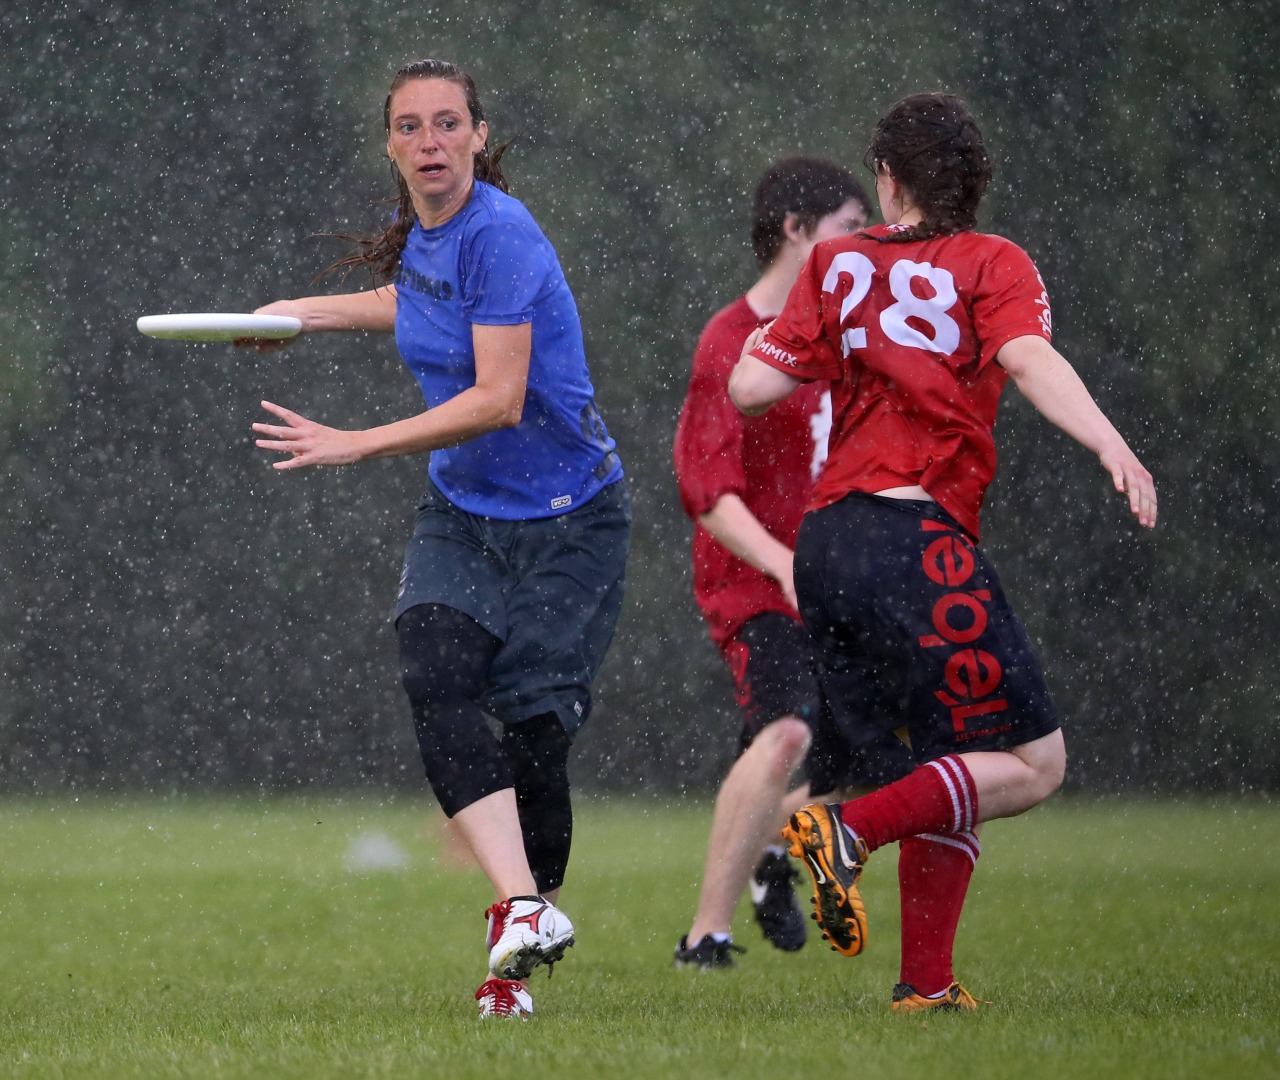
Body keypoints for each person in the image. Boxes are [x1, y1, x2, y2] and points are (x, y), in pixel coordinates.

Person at [729, 92, 1156, 1011]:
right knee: (1035, 765)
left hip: (829, 544)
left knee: (949, 763)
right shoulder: (993, 260)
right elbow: (1030, 360)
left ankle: (925, 986)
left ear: (888, 178)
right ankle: (846, 832)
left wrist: (803, 330)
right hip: (913, 540)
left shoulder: (836, 261)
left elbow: (752, 386)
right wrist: (1109, 441)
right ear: (971, 182)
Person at [242, 58, 631, 1020]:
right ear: (390, 144)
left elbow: (499, 399)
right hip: (464, 514)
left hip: (569, 523)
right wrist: (299, 314)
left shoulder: (503, 231)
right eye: (410, 126)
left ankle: (514, 961)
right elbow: (413, 303)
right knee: (434, 673)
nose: (430, 143)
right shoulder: (426, 235)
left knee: (534, 736)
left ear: (478, 137)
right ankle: (522, 911)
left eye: (448, 123)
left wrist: (355, 441)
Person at [671, 158, 914, 969]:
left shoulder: (847, 334)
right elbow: (707, 492)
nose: (863, 242)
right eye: (849, 227)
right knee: (784, 734)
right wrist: (782, 565)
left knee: (889, 759)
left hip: (836, 584)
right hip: (757, 586)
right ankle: (705, 939)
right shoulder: (730, 340)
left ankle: (773, 844)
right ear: (795, 230)